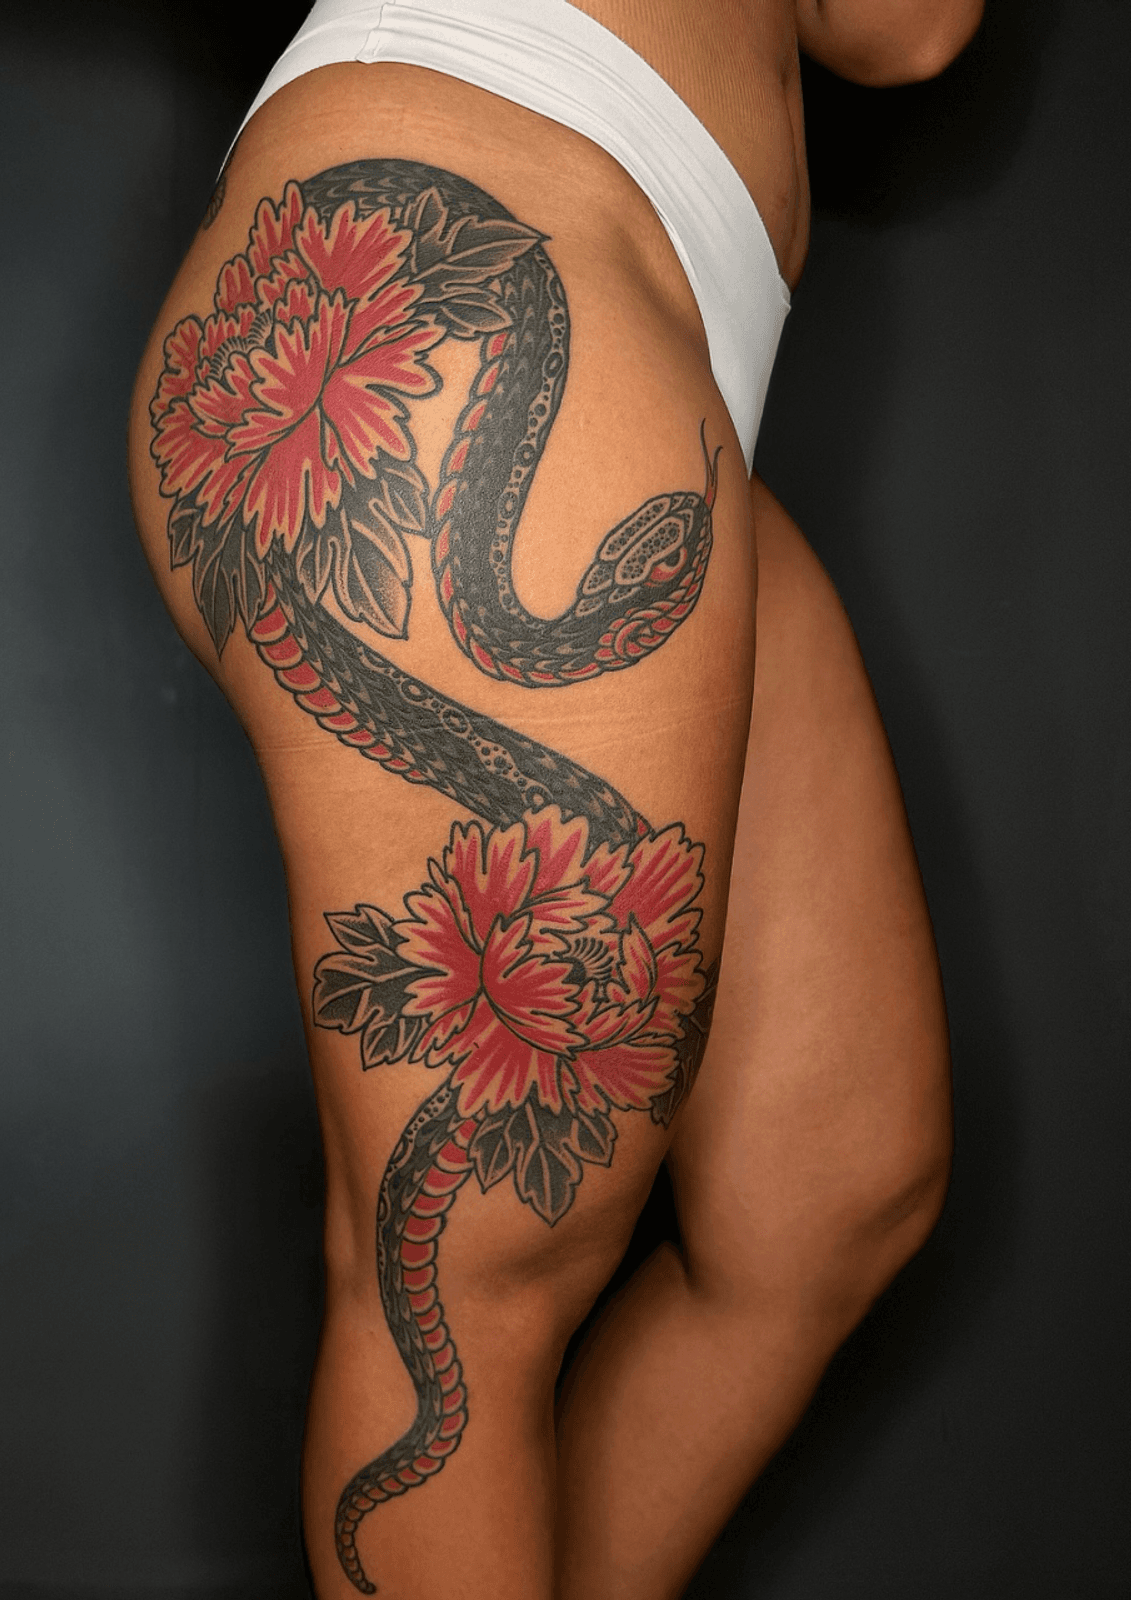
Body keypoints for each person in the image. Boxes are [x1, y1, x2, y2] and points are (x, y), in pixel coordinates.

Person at [127, 1, 980, 1593]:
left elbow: (901, 28)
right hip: (473, 217)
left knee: (830, 1190)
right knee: (466, 1289)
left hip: (655, 300)